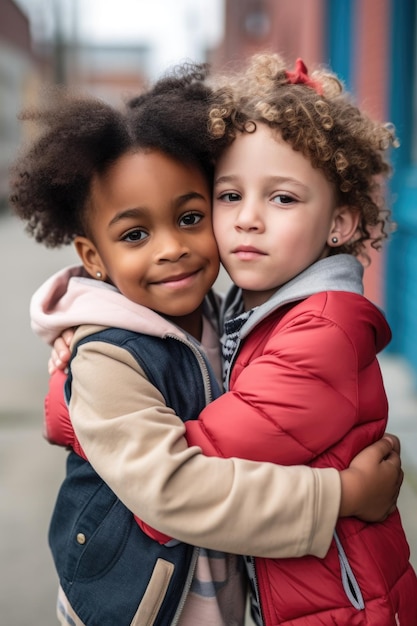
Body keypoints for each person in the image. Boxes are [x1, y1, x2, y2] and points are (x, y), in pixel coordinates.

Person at [14, 64, 402, 626]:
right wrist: (341, 495)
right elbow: (174, 487)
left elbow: (193, 462)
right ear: (93, 258)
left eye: (191, 217)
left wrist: (70, 408)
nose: (172, 248)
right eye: (135, 234)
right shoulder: (105, 354)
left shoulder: (239, 317)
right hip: (137, 606)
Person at [175, 54, 417, 624]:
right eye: (229, 195)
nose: (247, 219)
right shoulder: (244, 307)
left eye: (282, 198)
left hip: (345, 609)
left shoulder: (322, 331)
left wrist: (88, 401)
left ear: (340, 224)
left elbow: (193, 466)